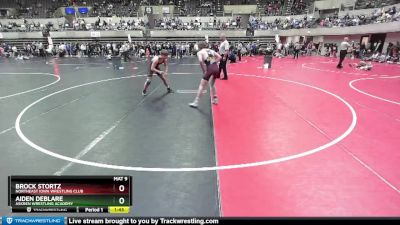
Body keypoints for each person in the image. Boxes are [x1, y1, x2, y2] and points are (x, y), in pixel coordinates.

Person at [189, 41, 222, 108]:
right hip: (216, 68)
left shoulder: (200, 52)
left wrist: (204, 70)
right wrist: (213, 62)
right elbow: (219, 57)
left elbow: (201, 61)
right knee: (212, 84)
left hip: (210, 68)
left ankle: (196, 102)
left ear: (199, 47)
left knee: (202, 85)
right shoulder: (210, 50)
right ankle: (215, 99)